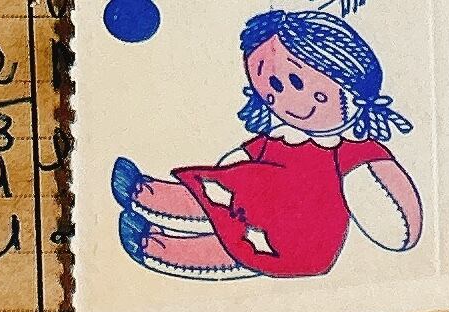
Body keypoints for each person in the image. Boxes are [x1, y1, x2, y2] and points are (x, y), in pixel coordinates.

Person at [111, 4, 421, 284]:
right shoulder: (283, 136)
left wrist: (383, 211)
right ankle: (147, 196)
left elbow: (394, 219)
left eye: (297, 83)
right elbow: (243, 158)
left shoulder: (350, 149)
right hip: (253, 204)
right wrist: (232, 169)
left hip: (295, 236)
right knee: (219, 202)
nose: (286, 101)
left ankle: (156, 247)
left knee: (229, 247)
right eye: (272, 91)